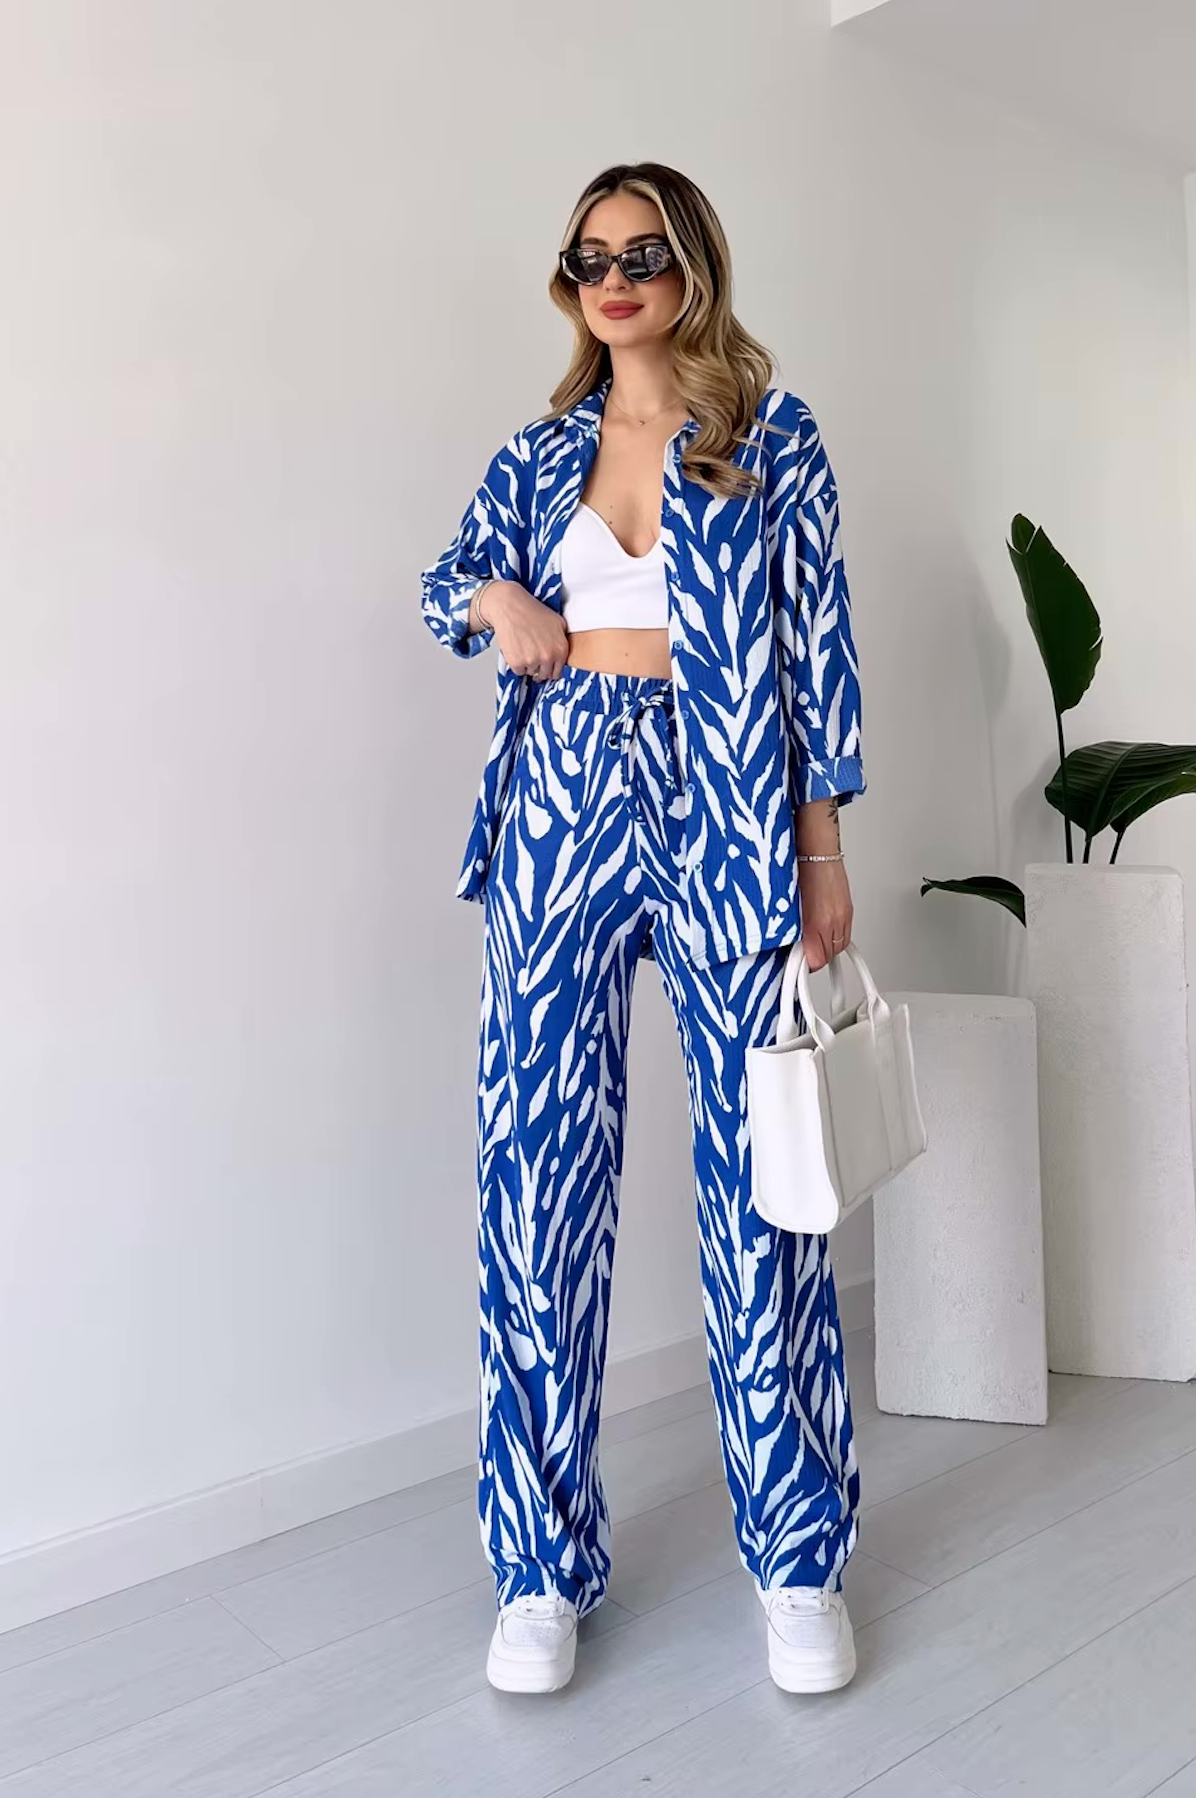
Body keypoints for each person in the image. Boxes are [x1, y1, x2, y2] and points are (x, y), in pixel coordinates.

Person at [419, 161, 866, 1697]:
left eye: (644, 252)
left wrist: (820, 845)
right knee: (537, 1181)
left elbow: (819, 646)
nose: (613, 279)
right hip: (560, 792)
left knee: (762, 1181)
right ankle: (539, 1569)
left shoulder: (769, 437)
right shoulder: (537, 453)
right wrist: (499, 602)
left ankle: (797, 1557)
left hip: (727, 802)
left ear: (695, 268)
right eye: (589, 257)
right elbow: (442, 583)